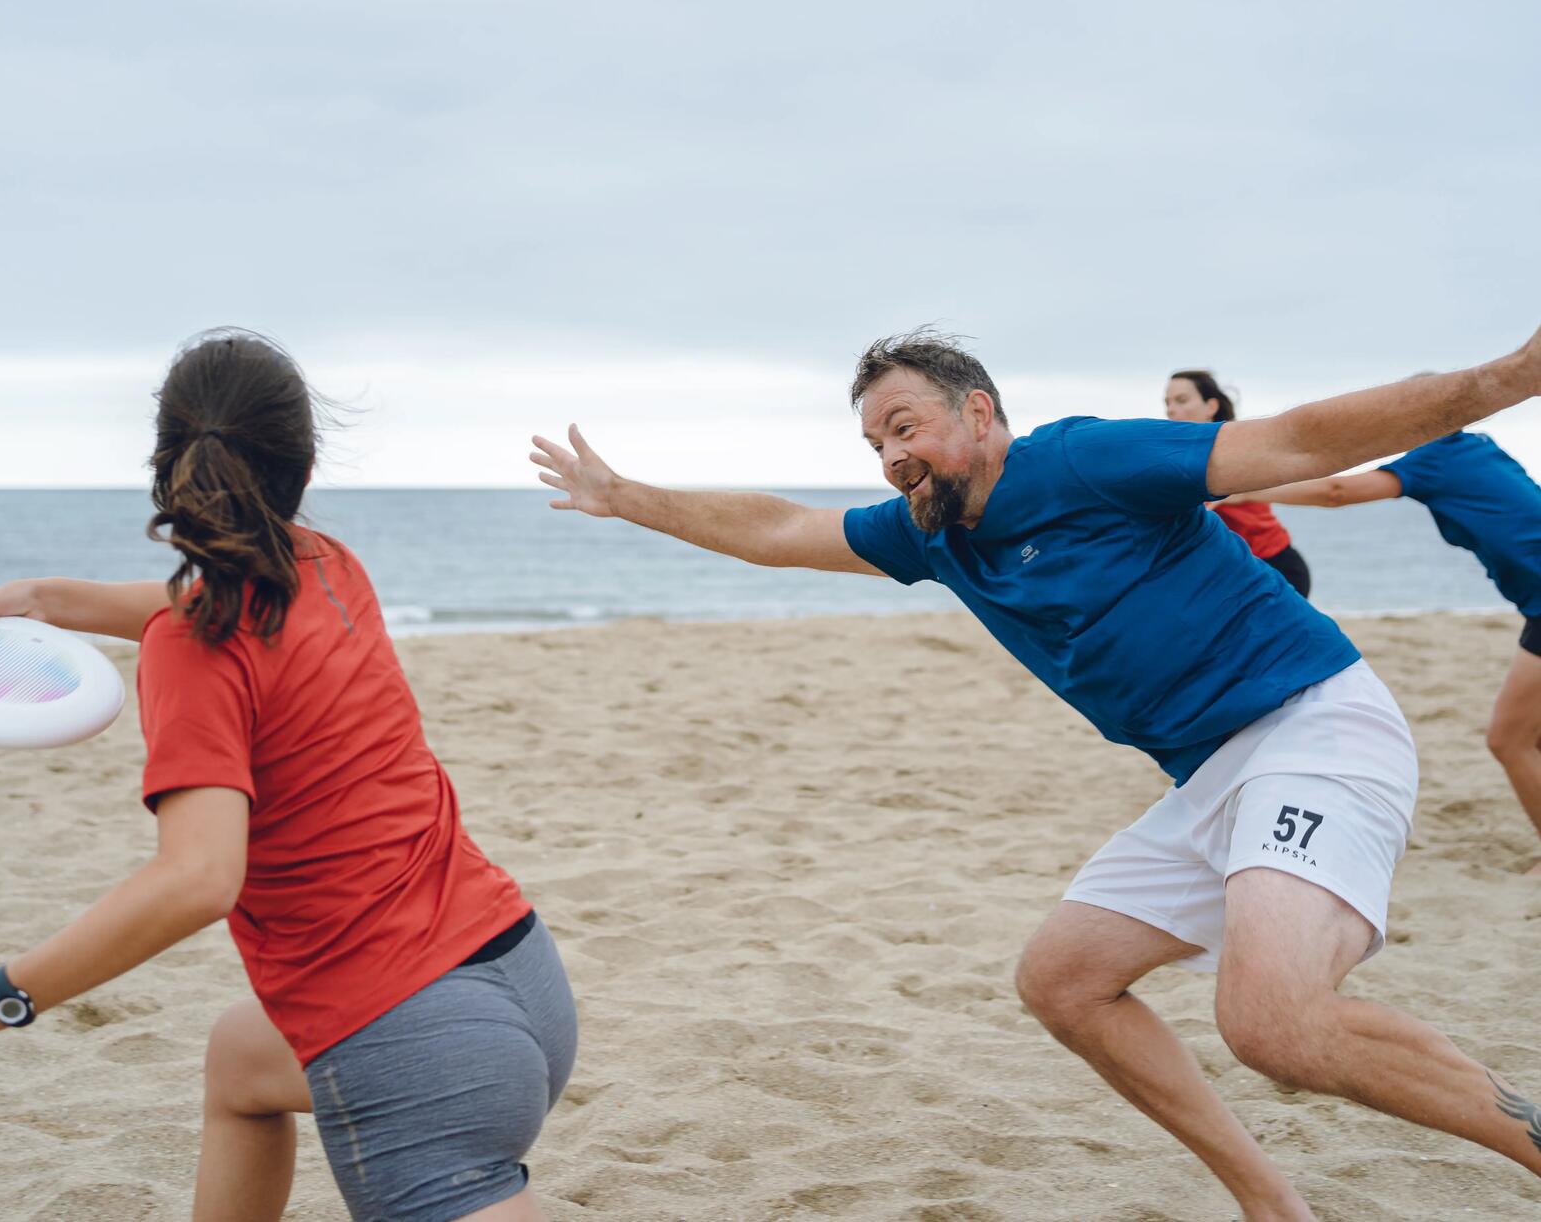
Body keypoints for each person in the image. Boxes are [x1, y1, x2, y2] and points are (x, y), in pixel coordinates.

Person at [531, 325, 1541, 1221]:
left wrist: (1510, 374)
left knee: (1273, 1023)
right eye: (876, 443)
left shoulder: (1084, 460)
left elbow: (1296, 440)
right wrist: (627, 499)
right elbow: (780, 531)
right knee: (1064, 982)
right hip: (1211, 770)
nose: (893, 457)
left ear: (978, 412)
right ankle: (1270, 1199)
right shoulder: (935, 534)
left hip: (1312, 726)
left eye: (905, 425)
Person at [0, 330, 577, 1222]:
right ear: (303, 459)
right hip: (523, 982)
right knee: (242, 1060)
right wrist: (53, 598)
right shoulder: (330, 567)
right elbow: (202, 603)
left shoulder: (194, 647)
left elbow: (198, 877)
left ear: (166, 463)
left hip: (413, 1041)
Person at [1228, 428, 1541, 875]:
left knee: (1509, 741)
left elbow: (1336, 491)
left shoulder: (1436, 457)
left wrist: (1238, 492)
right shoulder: (1479, 448)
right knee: (1533, 736)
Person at [1164, 369, 1312, 598]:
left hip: (1276, 565)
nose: (1171, 410)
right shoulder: (1183, 456)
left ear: (1211, 407)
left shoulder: (1233, 451)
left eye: (1181, 400)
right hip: (1234, 569)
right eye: (1167, 403)